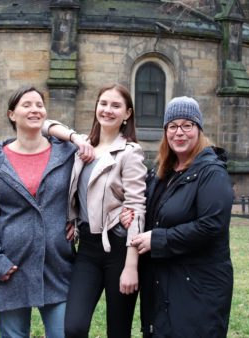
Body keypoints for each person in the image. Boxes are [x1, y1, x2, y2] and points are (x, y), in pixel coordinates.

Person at [0, 85, 93, 338]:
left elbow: (88, 189)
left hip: (58, 265)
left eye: (39, 104)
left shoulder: (67, 153)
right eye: (26, 105)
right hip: (12, 266)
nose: (34, 109)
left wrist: (77, 220)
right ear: (11, 114)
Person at [125, 96, 234, 337]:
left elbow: (211, 225)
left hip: (197, 287)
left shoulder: (211, 172)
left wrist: (158, 239)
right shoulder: (161, 173)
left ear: (199, 129)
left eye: (187, 125)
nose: (179, 133)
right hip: (161, 284)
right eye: (172, 126)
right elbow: (144, 210)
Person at [46, 83, 147, 338]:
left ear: (127, 114)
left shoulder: (130, 152)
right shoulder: (82, 148)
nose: (108, 110)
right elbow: (46, 125)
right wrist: (75, 138)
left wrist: (132, 265)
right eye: (103, 103)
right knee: (74, 327)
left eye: (116, 106)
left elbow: (136, 207)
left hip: (120, 249)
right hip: (88, 249)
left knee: (118, 330)